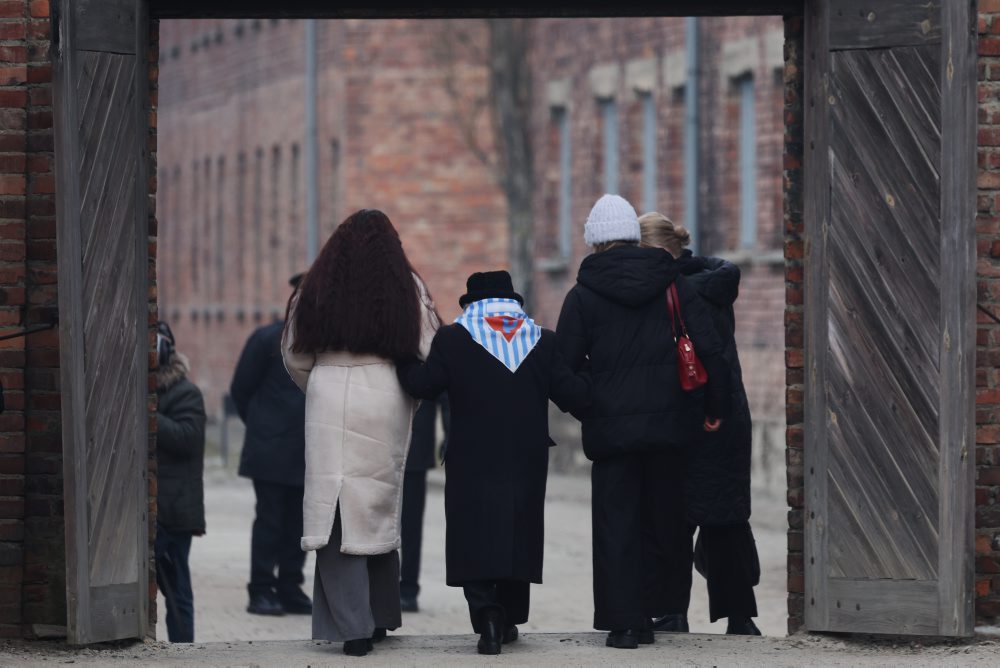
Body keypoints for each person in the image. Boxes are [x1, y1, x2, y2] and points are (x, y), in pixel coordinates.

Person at [555, 194, 731, 649]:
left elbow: (560, 369)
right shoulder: (674, 286)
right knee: (664, 521)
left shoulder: (582, 296)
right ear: (634, 237)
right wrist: (714, 408)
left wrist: (590, 404)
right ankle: (659, 612)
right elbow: (711, 350)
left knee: (616, 526)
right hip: (671, 429)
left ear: (594, 241)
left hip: (612, 435)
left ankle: (624, 623)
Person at [396, 270, 591, 655]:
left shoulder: (453, 339)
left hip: (471, 457)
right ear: (512, 303)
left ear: (471, 304)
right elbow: (575, 397)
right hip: (526, 458)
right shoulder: (542, 341)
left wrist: (401, 357)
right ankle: (510, 617)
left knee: (474, 534)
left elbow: (422, 385)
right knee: (518, 530)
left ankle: (487, 615)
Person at [282, 209, 440, 657]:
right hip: (386, 392)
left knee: (334, 507)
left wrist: (320, 384)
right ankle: (381, 615)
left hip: (328, 389)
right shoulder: (408, 286)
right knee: (377, 503)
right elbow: (429, 346)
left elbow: (293, 354)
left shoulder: (314, 285)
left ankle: (351, 627)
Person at [639, 212, 761, 636]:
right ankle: (740, 616)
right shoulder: (713, 283)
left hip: (687, 412)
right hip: (726, 415)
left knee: (672, 518)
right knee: (726, 519)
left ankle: (672, 612)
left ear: (657, 252)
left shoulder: (671, 291)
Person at [230, 273, 311, 617]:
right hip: (271, 451)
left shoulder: (324, 344)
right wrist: (263, 428)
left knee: (300, 524)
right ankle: (261, 589)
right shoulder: (267, 339)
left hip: (308, 451)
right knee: (270, 522)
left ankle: (290, 587)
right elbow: (240, 391)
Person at [154, 320, 207, 643]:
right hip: (151, 509)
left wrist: (149, 414)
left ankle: (183, 652)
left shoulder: (186, 393)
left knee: (177, 593)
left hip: (174, 511)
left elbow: (187, 437)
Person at [399, 394, 449, 614]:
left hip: (416, 444)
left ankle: (408, 589)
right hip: (380, 441)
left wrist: (450, 433)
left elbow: (445, 395)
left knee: (411, 524)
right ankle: (381, 588)